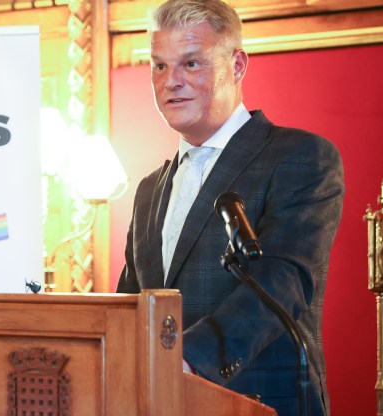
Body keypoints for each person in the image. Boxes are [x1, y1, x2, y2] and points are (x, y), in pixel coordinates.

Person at [115, 1, 345, 415]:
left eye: (191, 63)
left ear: (237, 65)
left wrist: (186, 359)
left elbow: (283, 280)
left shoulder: (302, 157)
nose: (171, 82)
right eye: (160, 66)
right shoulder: (149, 189)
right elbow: (131, 302)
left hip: (260, 402)